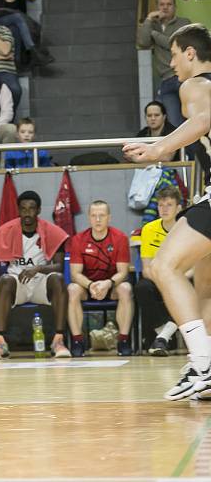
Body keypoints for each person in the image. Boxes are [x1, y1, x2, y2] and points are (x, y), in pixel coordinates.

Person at [122, 24, 211, 400]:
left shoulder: (195, 86)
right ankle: (205, 364)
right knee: (205, 288)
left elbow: (203, 121)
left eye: (174, 54)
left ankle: (203, 364)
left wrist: (159, 149)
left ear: (190, 53)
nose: (171, 63)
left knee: (162, 267)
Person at [0, 190, 71, 359]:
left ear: (39, 210)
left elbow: (59, 266)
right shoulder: (4, 232)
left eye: (31, 208)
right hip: (17, 284)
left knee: (58, 279)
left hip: (41, 283)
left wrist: (38, 269)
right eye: (23, 209)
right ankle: (0, 342)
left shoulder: (52, 231)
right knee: (5, 280)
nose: (27, 213)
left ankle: (58, 340)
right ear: (18, 210)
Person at [67, 201, 134, 356]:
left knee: (126, 288)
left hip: (111, 286)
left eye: (102, 215)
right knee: (72, 289)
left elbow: (123, 272)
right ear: (89, 218)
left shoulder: (120, 238)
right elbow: (75, 274)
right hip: (87, 286)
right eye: (94, 216)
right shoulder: (78, 240)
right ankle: (78, 341)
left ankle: (123, 340)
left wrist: (107, 284)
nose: (98, 219)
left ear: (109, 218)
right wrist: (91, 285)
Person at [136, 186, 183, 356]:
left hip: (183, 277)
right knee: (142, 287)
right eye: (161, 205)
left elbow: (195, 266)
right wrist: (163, 281)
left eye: (169, 205)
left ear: (178, 208)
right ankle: (164, 336)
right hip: (158, 278)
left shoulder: (188, 228)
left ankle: (162, 338)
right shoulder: (149, 229)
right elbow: (146, 268)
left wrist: (175, 280)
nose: (164, 209)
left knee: (194, 286)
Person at [136, 0, 191, 127]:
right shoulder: (153, 24)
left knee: (191, 120)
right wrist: (149, 19)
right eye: (161, 5)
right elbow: (143, 43)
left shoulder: (184, 23)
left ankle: (197, 149)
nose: (165, 8)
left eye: (169, 4)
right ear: (157, 7)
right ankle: (179, 149)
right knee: (173, 124)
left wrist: (154, 34)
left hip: (183, 78)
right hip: (166, 80)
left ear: (175, 7)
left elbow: (172, 44)